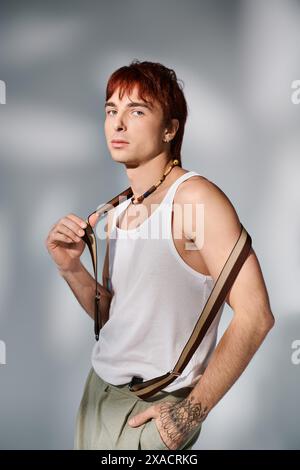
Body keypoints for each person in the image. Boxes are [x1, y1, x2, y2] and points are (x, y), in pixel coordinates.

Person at [45, 60, 275, 450]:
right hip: (96, 396)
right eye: (111, 110)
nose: (118, 124)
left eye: (137, 111)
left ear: (170, 128)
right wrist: (71, 269)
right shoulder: (115, 212)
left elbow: (256, 316)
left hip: (151, 409)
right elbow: (117, 319)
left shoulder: (195, 199)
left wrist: (190, 414)